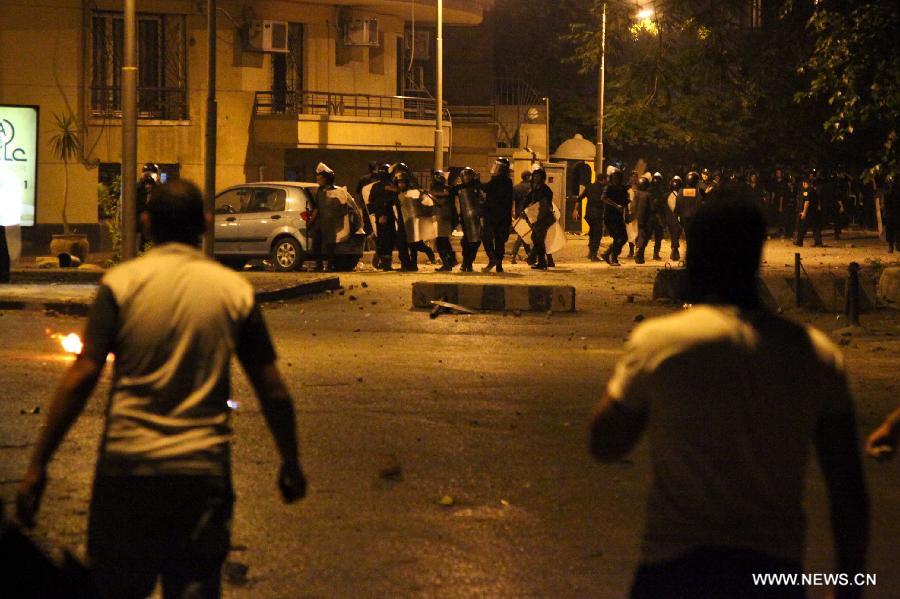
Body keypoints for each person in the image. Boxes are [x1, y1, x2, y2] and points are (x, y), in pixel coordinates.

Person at [16, 180, 306, 599]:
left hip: (127, 473)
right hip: (201, 476)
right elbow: (273, 390)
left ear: (147, 224)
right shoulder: (234, 292)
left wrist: (38, 465)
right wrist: (291, 463)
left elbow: (82, 376)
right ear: (204, 225)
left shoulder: (121, 284)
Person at [590, 194, 869, 599]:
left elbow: (604, 443)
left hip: (674, 568)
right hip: (773, 573)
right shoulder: (815, 353)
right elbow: (848, 489)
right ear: (757, 255)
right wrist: (850, 586)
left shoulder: (659, 343)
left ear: (695, 256)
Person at [481, 157, 514, 272]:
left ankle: (493, 259)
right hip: (502, 216)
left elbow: (486, 188)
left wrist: (476, 182)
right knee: (499, 241)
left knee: (487, 238)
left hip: (494, 215)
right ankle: (498, 264)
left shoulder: (498, 181)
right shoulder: (507, 182)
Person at [368, 163, 402, 271]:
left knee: (384, 238)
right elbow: (389, 201)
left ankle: (382, 262)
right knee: (388, 239)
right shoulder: (389, 186)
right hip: (386, 215)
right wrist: (383, 214)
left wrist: (377, 214)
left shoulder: (375, 186)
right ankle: (385, 264)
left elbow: (371, 202)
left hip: (380, 215)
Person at [452, 167, 485, 272]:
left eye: (469, 175)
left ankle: (469, 262)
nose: (467, 178)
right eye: (465, 176)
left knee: (476, 242)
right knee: (466, 242)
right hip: (465, 219)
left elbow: (482, 200)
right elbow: (450, 193)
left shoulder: (476, 187)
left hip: (476, 218)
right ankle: (465, 263)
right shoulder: (459, 188)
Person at [524, 164, 555, 270]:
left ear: (542, 177)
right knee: (537, 238)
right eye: (535, 176)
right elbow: (529, 201)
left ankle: (533, 257)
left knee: (538, 238)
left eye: (538, 176)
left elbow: (545, 205)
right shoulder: (535, 189)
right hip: (537, 217)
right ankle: (542, 261)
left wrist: (538, 217)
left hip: (543, 217)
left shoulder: (545, 189)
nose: (536, 178)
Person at [574, 172, 607, 261]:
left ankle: (590, 253)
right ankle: (593, 255)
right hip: (598, 214)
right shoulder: (604, 188)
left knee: (592, 232)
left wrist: (575, 210)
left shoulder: (589, 187)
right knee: (597, 234)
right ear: (603, 179)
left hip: (589, 214)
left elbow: (579, 199)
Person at [430, 170, 459, 271]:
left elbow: (442, 200)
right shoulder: (445, 190)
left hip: (444, 218)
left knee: (441, 242)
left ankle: (447, 264)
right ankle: (451, 260)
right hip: (444, 218)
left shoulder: (444, 190)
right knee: (444, 241)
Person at [600, 167, 629, 266]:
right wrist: (616, 205)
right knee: (618, 237)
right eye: (615, 177)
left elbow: (625, 202)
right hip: (610, 217)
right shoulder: (608, 188)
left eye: (618, 177)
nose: (616, 179)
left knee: (624, 237)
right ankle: (614, 257)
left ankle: (608, 253)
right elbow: (603, 198)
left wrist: (627, 214)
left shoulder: (623, 189)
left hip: (619, 217)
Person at [632, 173, 656, 265]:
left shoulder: (637, 194)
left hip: (638, 218)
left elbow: (634, 206)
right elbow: (652, 208)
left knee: (640, 235)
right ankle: (638, 252)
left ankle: (640, 257)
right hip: (647, 219)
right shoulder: (648, 195)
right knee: (644, 237)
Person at [511, 171, 533, 264]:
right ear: (528, 177)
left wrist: (512, 212)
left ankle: (528, 256)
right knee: (528, 235)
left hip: (519, 213)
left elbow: (511, 201)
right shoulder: (531, 187)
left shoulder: (516, 187)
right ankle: (530, 256)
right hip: (529, 214)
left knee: (522, 234)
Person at [795, 175, 823, 247]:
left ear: (804, 183)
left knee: (802, 227)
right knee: (815, 228)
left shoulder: (807, 191)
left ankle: (799, 242)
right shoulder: (813, 190)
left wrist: (804, 212)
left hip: (808, 212)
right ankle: (818, 242)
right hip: (814, 212)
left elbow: (807, 202)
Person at [769, 168, 794, 239]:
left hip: (784, 202)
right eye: (777, 173)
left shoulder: (785, 182)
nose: (778, 174)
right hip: (776, 202)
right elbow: (773, 191)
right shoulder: (774, 181)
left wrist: (791, 187)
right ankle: (779, 232)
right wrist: (772, 200)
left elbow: (784, 194)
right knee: (777, 217)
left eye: (779, 173)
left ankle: (785, 233)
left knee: (784, 217)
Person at [665, 175, 683, 261]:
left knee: (674, 236)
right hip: (675, 219)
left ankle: (674, 251)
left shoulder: (670, 195)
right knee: (675, 235)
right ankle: (675, 251)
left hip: (671, 219)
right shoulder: (674, 196)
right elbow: (675, 209)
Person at [883, 175, 899, 253]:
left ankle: (892, 246)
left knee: (892, 230)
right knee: (894, 230)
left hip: (892, 214)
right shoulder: (888, 193)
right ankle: (894, 245)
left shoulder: (888, 193)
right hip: (893, 214)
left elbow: (885, 205)